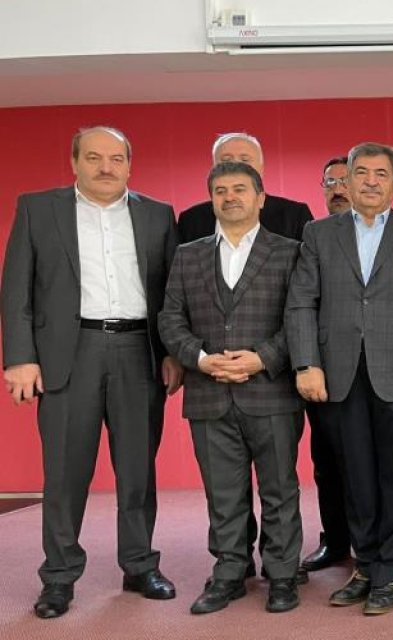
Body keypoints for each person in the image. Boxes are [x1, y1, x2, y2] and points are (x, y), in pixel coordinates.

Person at [2, 126, 183, 619]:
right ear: (74, 162)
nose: (106, 167)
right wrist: (20, 358)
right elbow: (16, 288)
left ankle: (140, 565)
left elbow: (171, 292)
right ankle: (59, 577)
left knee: (138, 470)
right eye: (95, 157)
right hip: (68, 353)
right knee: (65, 473)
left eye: (116, 159)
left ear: (129, 164)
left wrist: (172, 352)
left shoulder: (157, 214)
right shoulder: (39, 209)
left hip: (138, 351)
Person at [286, 142, 393, 615]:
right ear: (348, 180)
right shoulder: (318, 233)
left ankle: (391, 571)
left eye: (381, 174)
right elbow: (301, 302)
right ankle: (367, 564)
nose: (371, 181)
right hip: (337, 373)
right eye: (361, 173)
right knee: (354, 477)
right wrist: (306, 363)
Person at [158, 161, 305, 614]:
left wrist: (264, 357)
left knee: (279, 489)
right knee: (222, 493)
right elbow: (170, 318)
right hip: (209, 391)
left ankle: (282, 574)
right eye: (220, 190)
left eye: (240, 189)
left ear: (261, 198)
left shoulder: (291, 252)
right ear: (212, 200)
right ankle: (229, 572)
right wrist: (201, 358)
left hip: (272, 390)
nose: (230, 197)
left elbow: (302, 318)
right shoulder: (189, 255)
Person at [300, 156, 353, 573]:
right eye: (329, 182)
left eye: (344, 180)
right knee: (328, 462)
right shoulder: (313, 238)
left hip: (380, 371)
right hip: (326, 372)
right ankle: (335, 540)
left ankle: (381, 543)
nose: (337, 188)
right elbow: (302, 304)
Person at [176, 132, 314, 243]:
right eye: (226, 160)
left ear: (261, 169)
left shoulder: (294, 216)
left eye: (245, 160)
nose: (236, 166)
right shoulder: (191, 221)